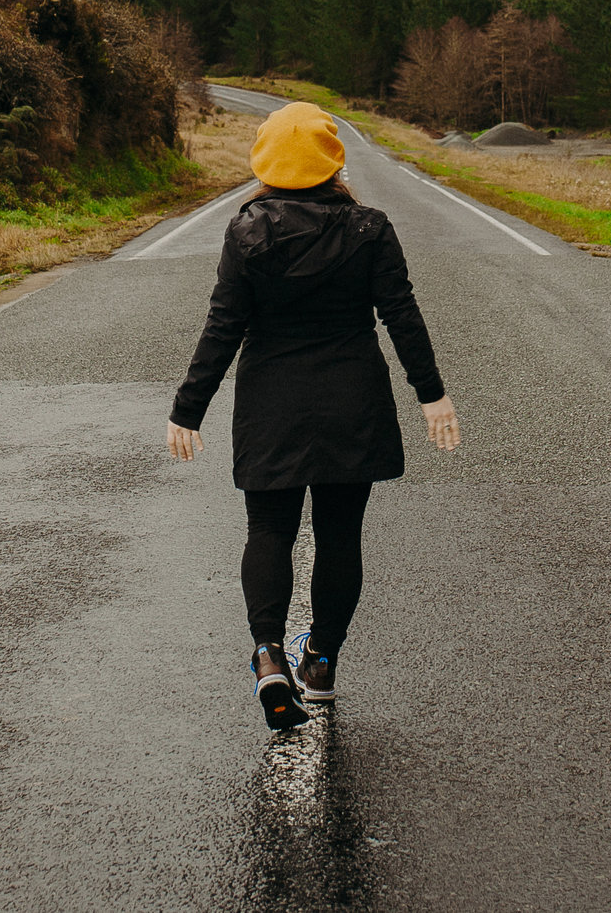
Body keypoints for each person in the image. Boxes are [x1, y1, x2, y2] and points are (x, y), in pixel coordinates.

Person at [167, 100, 460, 730]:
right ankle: (320, 664)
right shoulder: (370, 228)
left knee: (269, 528)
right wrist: (431, 394)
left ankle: (270, 656)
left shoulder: (247, 232)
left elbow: (225, 324)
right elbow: (400, 314)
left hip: (272, 401)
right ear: (332, 159)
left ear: (265, 161)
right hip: (351, 399)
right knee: (338, 535)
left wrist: (188, 409)